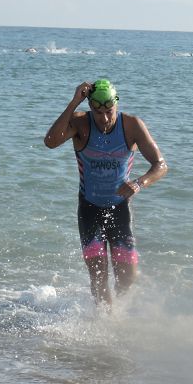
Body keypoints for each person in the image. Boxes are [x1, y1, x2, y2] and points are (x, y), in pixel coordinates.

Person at [43, 79, 168, 308]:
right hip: (89, 208)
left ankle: (119, 313)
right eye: (98, 112)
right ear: (90, 107)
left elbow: (160, 165)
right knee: (98, 277)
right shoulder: (80, 123)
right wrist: (73, 103)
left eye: (109, 111)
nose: (105, 118)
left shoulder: (131, 126)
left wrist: (139, 183)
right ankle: (104, 323)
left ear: (116, 103)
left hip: (119, 208)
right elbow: (50, 142)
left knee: (127, 277)